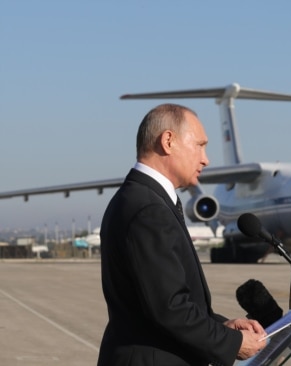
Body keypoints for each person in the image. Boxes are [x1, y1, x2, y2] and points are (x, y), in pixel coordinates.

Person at [98, 104, 266, 366]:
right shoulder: (148, 209)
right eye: (199, 145)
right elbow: (170, 308)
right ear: (168, 141)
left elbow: (163, 302)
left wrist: (223, 326)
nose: (205, 159)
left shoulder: (141, 198)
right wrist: (232, 343)